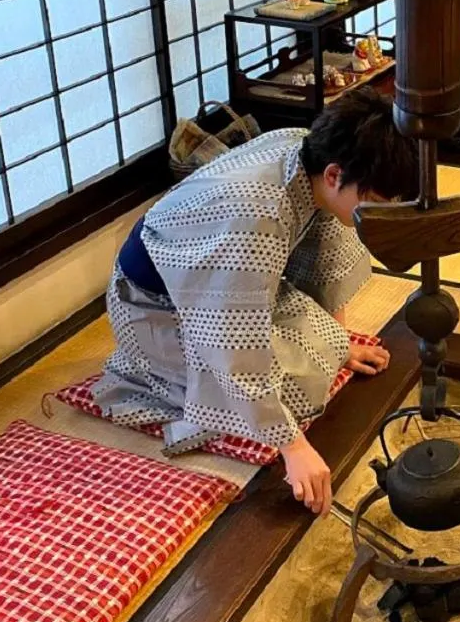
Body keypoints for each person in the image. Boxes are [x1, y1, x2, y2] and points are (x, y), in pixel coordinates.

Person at [93, 87, 417, 516]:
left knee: (321, 354)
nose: (383, 213)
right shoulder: (255, 213)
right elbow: (232, 341)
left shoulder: (307, 153)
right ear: (336, 175)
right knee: (294, 392)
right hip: (157, 307)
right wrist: (294, 447)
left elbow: (328, 246)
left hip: (222, 285)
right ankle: (153, 372)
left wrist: (339, 343)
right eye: (377, 202)